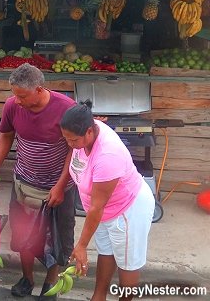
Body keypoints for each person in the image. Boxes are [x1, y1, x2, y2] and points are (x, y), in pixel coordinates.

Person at [0, 63, 77, 301]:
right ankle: (27, 278)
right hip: (24, 182)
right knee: (23, 233)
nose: (16, 101)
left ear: (39, 90)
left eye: (22, 96)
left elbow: (74, 150)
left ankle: (50, 282)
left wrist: (60, 186)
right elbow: (6, 136)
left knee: (57, 236)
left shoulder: (66, 108)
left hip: (57, 186)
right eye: (14, 94)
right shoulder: (12, 106)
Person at [60, 101, 155, 301]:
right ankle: (98, 297)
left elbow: (97, 206)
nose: (69, 144)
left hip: (128, 209)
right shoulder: (85, 131)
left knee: (128, 263)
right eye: (66, 139)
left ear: (89, 132)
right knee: (107, 251)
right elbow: (75, 153)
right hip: (103, 210)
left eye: (73, 140)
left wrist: (82, 245)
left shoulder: (108, 156)